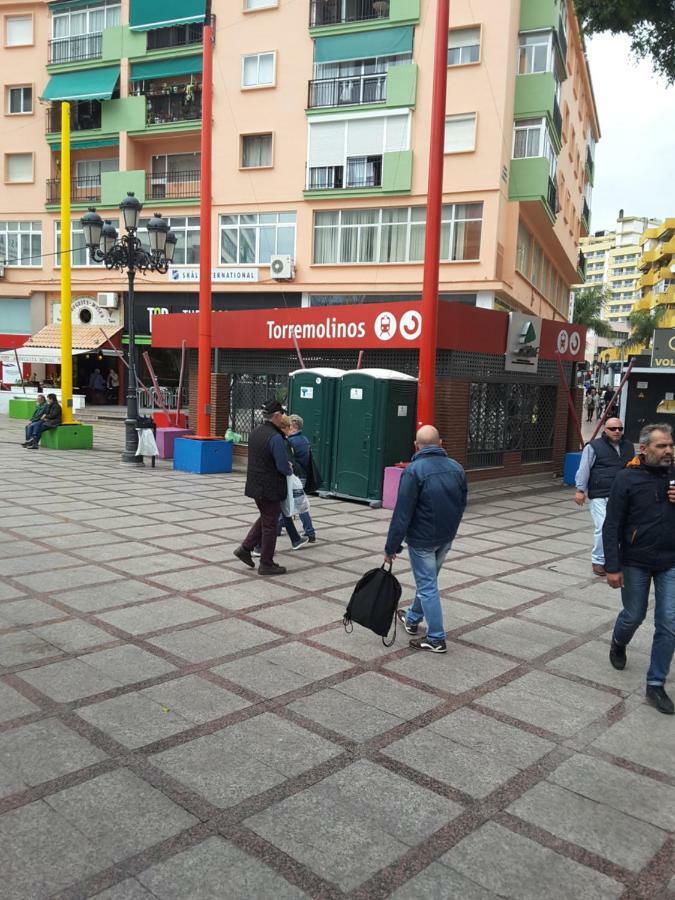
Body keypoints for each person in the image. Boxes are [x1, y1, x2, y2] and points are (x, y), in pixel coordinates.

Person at [603, 423, 675, 715]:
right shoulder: (627, 478)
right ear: (644, 449)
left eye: (671, 445)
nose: (669, 450)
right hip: (635, 560)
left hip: (670, 560)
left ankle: (655, 684)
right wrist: (612, 566)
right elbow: (612, 525)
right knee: (634, 614)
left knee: (669, 623)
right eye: (662, 446)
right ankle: (619, 642)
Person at [384, 425, 467, 654]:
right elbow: (462, 503)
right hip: (446, 536)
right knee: (428, 581)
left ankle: (436, 637)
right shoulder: (456, 468)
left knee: (427, 584)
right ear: (440, 443)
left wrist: (391, 547)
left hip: (422, 539)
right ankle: (412, 618)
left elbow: (403, 512)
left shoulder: (414, 471)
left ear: (416, 445)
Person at [234, 398, 292, 577]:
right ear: (276, 416)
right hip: (269, 487)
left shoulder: (256, 431)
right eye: (281, 414)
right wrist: (290, 468)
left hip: (255, 485)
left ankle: (245, 548)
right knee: (270, 525)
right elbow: (282, 466)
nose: (283, 416)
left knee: (267, 517)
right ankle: (266, 563)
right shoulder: (274, 437)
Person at [575, 417, 634, 576]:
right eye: (613, 428)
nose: (617, 432)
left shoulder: (628, 446)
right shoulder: (594, 447)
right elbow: (584, 468)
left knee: (621, 527)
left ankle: (615, 559)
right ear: (605, 430)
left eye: (620, 429)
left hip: (621, 494)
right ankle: (598, 560)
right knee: (603, 526)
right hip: (600, 493)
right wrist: (580, 490)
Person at [288, 414, 317, 543]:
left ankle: (310, 532)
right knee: (296, 503)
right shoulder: (304, 439)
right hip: (303, 475)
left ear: (293, 427)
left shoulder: (291, 441)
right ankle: (281, 525)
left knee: (297, 504)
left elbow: (290, 460)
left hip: (296, 477)